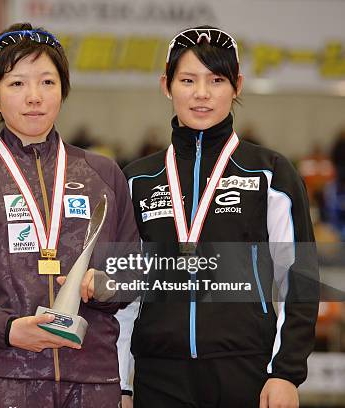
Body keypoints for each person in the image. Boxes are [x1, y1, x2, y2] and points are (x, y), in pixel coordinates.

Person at [0, 23, 139, 408]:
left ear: (62, 89)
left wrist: (105, 283)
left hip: (93, 378)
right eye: (16, 84)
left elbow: (132, 274)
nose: (34, 97)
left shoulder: (104, 175)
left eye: (47, 82)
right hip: (4, 377)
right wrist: (9, 329)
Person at [122, 26, 318, 407]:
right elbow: (124, 294)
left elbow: (300, 277)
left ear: (237, 85)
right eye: (187, 80)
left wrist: (285, 373)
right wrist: (121, 385)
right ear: (167, 85)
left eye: (216, 80)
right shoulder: (136, 180)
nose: (201, 93)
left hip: (246, 372)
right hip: (159, 375)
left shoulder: (270, 173)